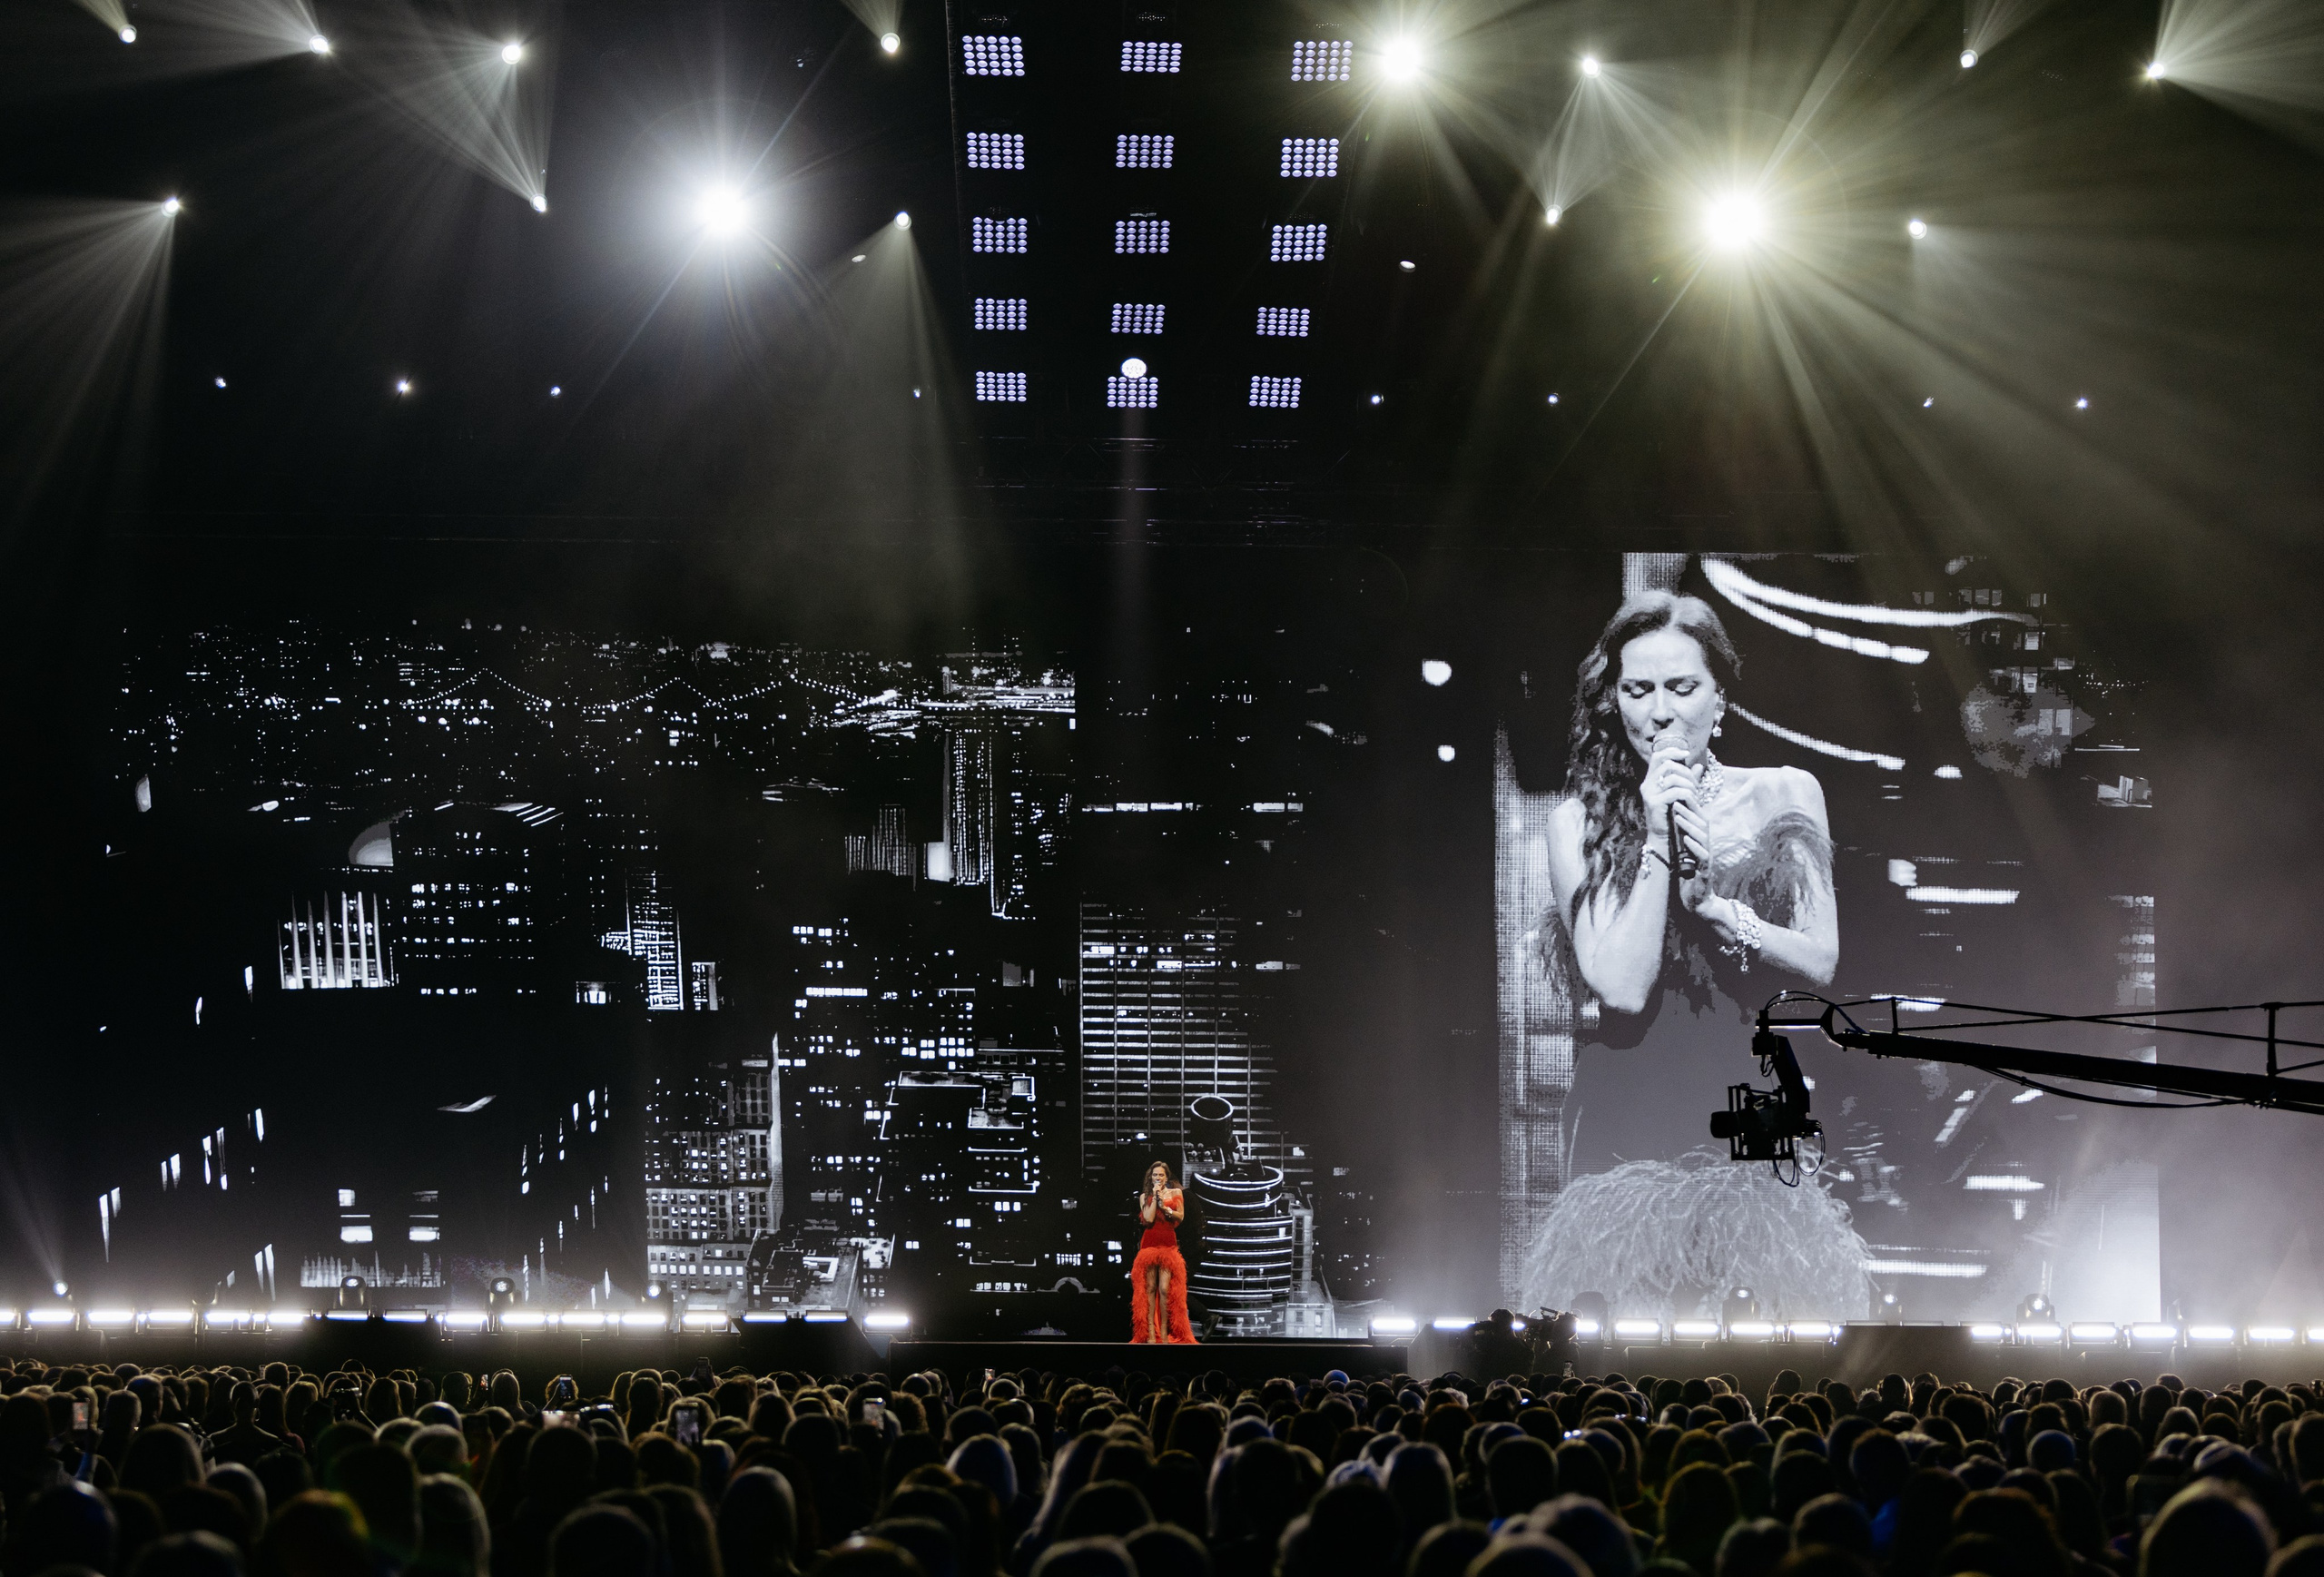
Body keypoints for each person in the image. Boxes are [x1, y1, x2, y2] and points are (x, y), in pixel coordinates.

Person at [1546, 591, 1837, 1020]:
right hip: (1627, 1081)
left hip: (1747, 1075)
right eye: (1638, 691)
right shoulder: (1578, 821)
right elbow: (1622, 990)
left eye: (1682, 689)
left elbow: (1820, 963)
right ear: (1616, 699)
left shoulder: (1786, 792)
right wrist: (1660, 839)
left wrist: (1716, 910)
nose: (1660, 712)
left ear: (1719, 697)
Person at [1129, 1161, 1195, 1345]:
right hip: (1149, 1243)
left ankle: (1164, 1334)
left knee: (1165, 1290)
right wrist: (1154, 1198)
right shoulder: (1144, 1196)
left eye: (1161, 1175)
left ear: (1167, 1177)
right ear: (1150, 1178)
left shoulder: (1176, 1193)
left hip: (1168, 1243)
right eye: (1154, 1175)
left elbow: (1180, 1217)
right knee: (1150, 1288)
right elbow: (1148, 1219)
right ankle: (1151, 1333)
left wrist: (1165, 1208)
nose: (1158, 1178)